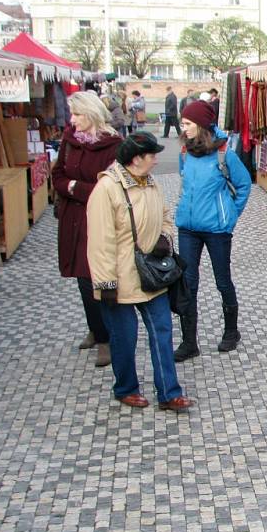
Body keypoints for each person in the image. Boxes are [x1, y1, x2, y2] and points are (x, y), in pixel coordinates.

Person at [86, 132, 192, 411]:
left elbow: (166, 215)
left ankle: (169, 393)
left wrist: (164, 238)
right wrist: (105, 283)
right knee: (124, 337)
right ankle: (125, 388)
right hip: (119, 280)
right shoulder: (107, 189)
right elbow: (99, 241)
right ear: (136, 159)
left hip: (151, 275)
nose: (157, 160)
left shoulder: (151, 182)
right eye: (152, 155)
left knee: (162, 331)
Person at [174, 100, 252, 361]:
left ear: (201, 124)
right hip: (187, 228)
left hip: (217, 230)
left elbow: (243, 186)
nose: (182, 128)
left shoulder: (224, 153)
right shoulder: (185, 151)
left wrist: (230, 216)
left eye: (187, 123)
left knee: (222, 280)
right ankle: (189, 342)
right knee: (188, 283)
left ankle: (231, 331)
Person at [52, 91, 123, 367]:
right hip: (72, 218)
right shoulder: (69, 142)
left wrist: (74, 188)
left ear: (91, 114)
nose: (72, 119)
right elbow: (58, 175)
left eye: (77, 114)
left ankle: (106, 337)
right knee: (81, 278)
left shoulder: (113, 145)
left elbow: (112, 185)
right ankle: (96, 330)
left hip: (98, 217)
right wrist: (72, 187)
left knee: (95, 275)